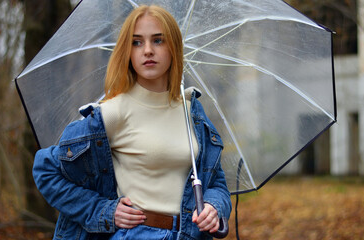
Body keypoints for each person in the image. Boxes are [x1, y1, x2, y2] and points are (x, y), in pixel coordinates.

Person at [33, 4, 231, 240]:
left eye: (158, 40)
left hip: (190, 234)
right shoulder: (113, 112)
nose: (147, 50)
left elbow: (217, 182)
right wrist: (101, 211)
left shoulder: (193, 113)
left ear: (174, 48)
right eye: (136, 42)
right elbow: (45, 170)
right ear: (127, 51)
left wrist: (213, 207)